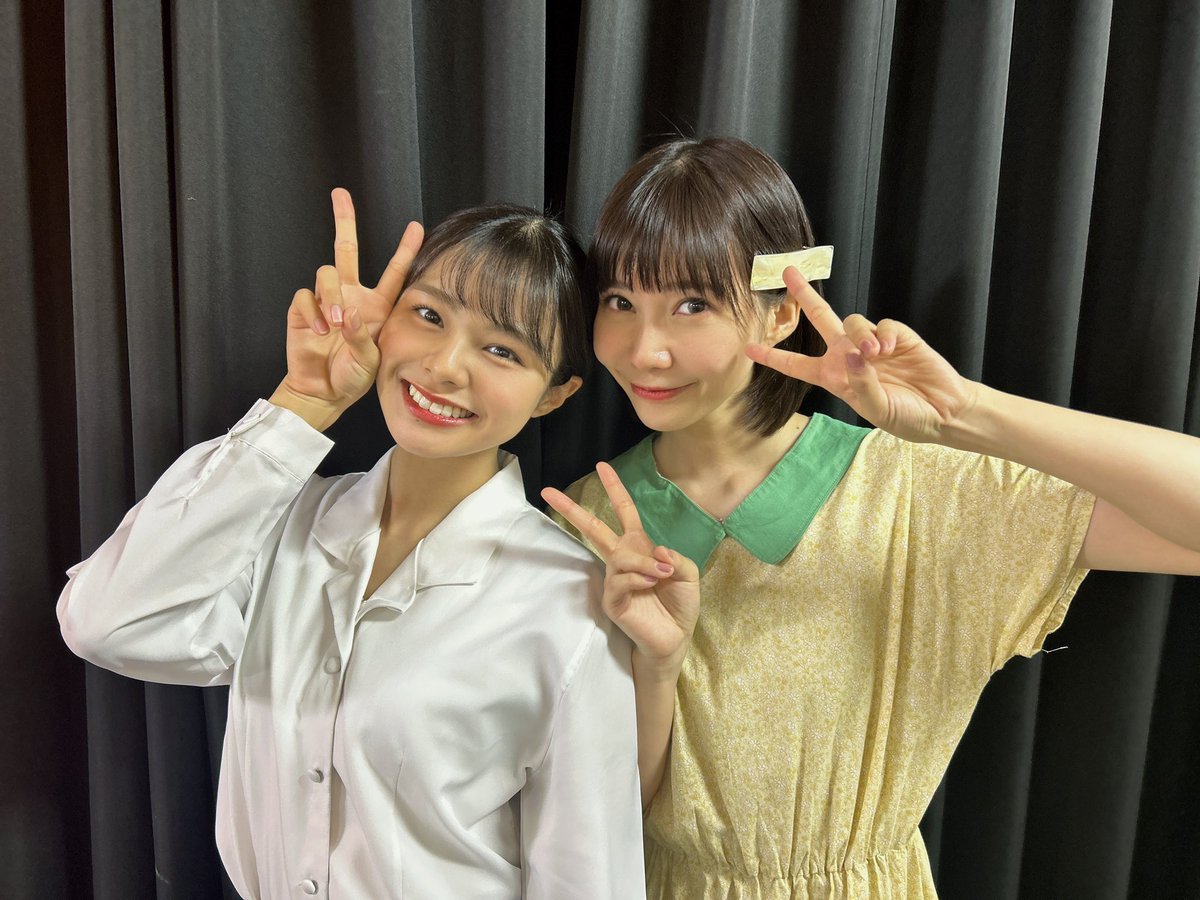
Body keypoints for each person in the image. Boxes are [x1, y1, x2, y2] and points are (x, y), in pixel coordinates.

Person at [544, 137, 1200, 899]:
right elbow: (599, 810)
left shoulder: (915, 493)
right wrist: (657, 666)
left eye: (692, 305)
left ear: (781, 312)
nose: (645, 350)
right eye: (620, 301)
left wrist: (964, 413)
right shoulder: (590, 520)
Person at [58, 191, 644, 899]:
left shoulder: (571, 600)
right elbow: (106, 623)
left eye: (502, 350)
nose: (445, 366)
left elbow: (589, 876)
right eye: (428, 315)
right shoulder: (281, 521)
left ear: (553, 394)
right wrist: (304, 402)